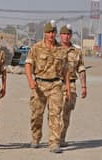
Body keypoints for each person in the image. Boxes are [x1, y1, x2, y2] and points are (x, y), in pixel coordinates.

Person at [24, 21, 71, 153]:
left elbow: (66, 70)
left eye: (53, 32)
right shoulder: (36, 48)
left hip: (56, 85)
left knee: (55, 114)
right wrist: (30, 80)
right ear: (44, 33)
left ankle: (54, 142)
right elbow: (28, 65)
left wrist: (67, 87)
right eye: (49, 32)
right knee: (36, 115)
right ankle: (36, 137)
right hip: (39, 85)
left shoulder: (61, 50)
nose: (51, 35)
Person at [59, 24, 87, 147]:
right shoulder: (54, 48)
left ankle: (61, 138)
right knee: (54, 113)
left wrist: (84, 86)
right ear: (60, 35)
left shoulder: (77, 52)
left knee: (66, 112)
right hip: (55, 84)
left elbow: (81, 68)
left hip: (71, 84)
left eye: (68, 34)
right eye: (64, 34)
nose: (66, 36)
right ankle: (54, 138)